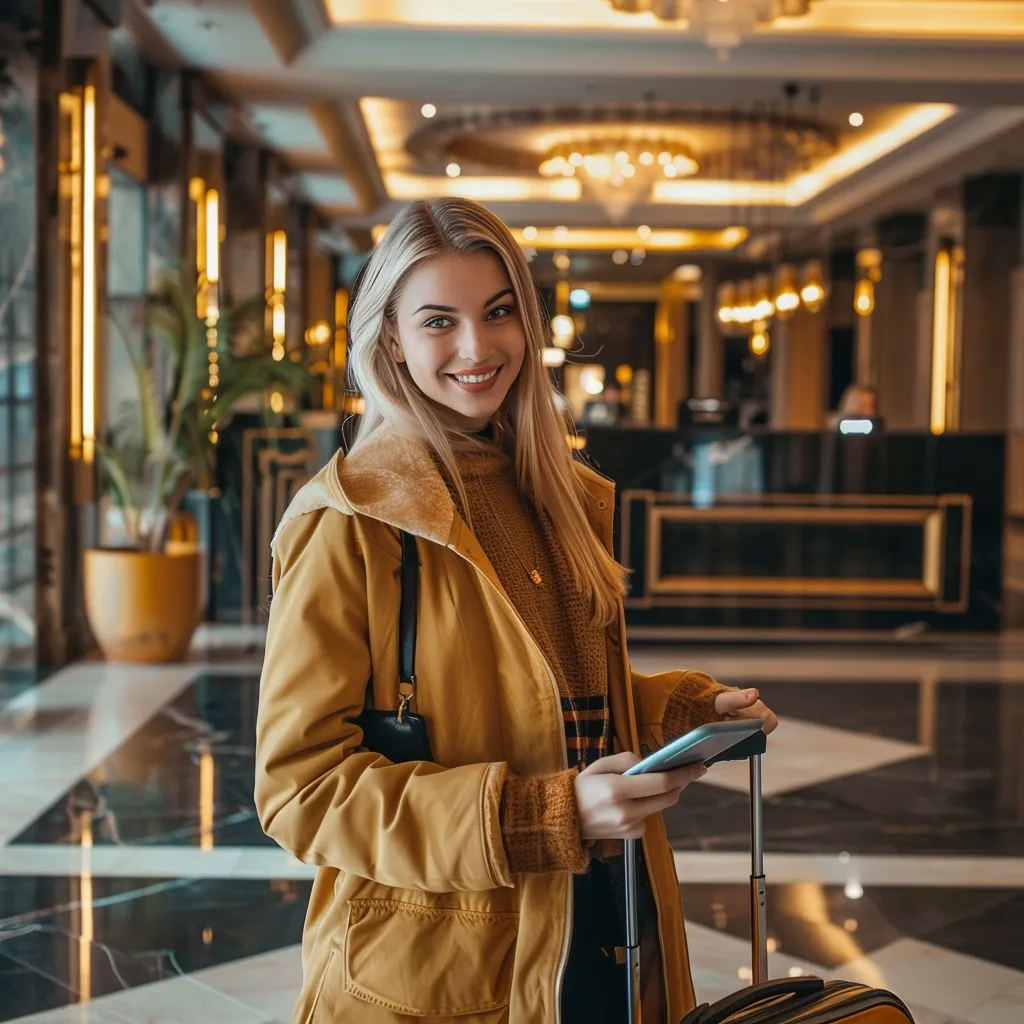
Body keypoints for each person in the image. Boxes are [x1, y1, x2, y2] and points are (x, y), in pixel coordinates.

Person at [254, 198, 777, 1024]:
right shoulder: (348, 525)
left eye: (499, 312)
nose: (477, 347)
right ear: (390, 339)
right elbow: (301, 790)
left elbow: (543, 701)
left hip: (605, 918)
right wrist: (543, 815)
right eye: (438, 321)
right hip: (438, 970)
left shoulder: (555, 492)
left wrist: (680, 712)